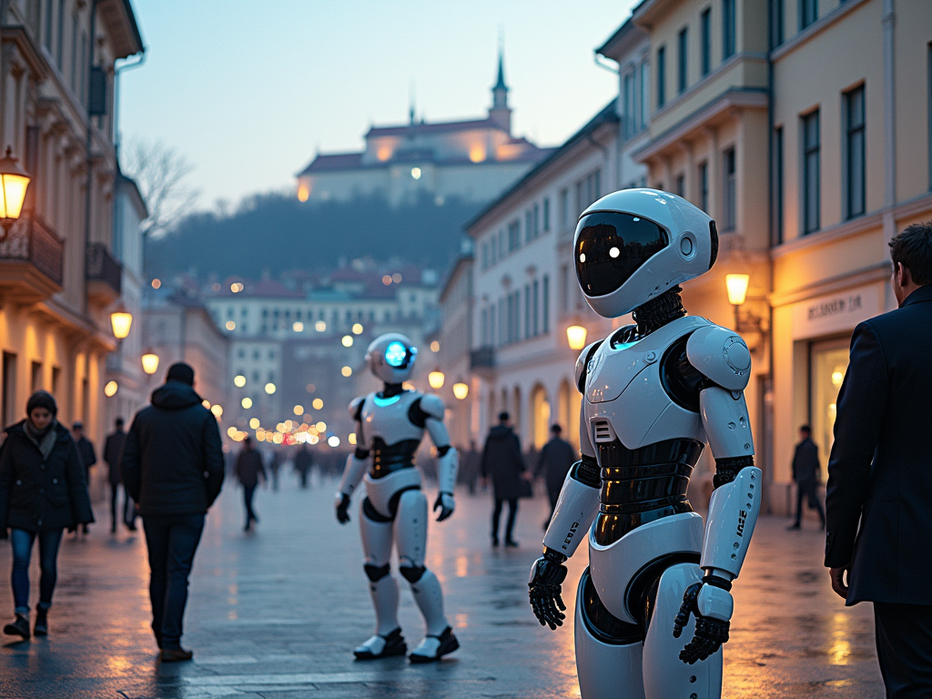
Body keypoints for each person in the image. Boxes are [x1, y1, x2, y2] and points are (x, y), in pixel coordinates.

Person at [527, 189, 762, 698]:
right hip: (603, 568)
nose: (601, 261)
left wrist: (718, 581)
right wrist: (553, 555)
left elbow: (737, 471)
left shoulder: (701, 350)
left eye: (616, 249)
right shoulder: (596, 358)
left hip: (671, 567)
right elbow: (590, 469)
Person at [825, 222, 932, 696]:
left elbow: (850, 452)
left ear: (901, 273)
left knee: (913, 683)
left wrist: (840, 548)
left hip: (904, 550)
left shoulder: (881, 336)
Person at [335, 333, 460, 662]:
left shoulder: (422, 404)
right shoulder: (363, 407)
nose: (396, 359)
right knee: (375, 567)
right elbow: (361, 453)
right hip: (373, 491)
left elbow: (446, 450)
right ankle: (387, 632)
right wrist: (344, 492)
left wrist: (447, 492)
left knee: (411, 566)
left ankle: (439, 631)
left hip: (406, 489)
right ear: (376, 361)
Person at [121, 362, 224, 662]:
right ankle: (171, 639)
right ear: (192, 384)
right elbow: (215, 464)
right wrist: (207, 498)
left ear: (165, 382)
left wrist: (138, 496)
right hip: (190, 506)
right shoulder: (203, 418)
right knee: (179, 572)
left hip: (152, 505)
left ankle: (159, 631)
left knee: (158, 570)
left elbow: (128, 462)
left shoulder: (144, 417)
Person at [0, 391, 94, 639]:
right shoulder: (15, 440)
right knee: (20, 559)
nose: (40, 419)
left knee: (48, 565)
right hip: (21, 510)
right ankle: (21, 615)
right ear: (29, 414)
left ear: (53, 416)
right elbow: (4, 480)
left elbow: (75, 479)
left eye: (45, 415)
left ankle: (42, 612)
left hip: (54, 511)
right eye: (36, 415)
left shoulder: (64, 440)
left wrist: (81, 515)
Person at [480, 412, 527, 548]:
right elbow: (517, 456)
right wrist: (523, 470)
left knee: (497, 507)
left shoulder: (491, 437)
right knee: (513, 507)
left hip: (497, 476)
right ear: (508, 420)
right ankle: (508, 537)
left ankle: (494, 537)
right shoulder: (513, 437)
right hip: (512, 476)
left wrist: (484, 474)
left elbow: (485, 456)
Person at [534, 424, 576, 529]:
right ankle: (554, 522)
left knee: (552, 502)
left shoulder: (548, 445)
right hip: (563, 478)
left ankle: (550, 522)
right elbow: (573, 462)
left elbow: (541, 462)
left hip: (550, 478)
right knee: (560, 501)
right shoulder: (567, 446)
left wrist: (535, 475)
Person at [787, 425, 824, 530]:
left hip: (806, 478)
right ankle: (800, 521)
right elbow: (816, 463)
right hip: (807, 477)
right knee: (807, 500)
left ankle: (821, 520)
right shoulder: (811, 446)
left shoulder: (804, 447)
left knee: (811, 500)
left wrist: (795, 475)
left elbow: (797, 462)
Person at [104, 418, 135, 533]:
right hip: (125, 472)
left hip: (113, 472)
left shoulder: (110, 438)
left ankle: (114, 522)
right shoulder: (127, 437)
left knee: (113, 498)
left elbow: (105, 456)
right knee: (127, 497)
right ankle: (125, 519)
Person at [234, 437, 266, 532]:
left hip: (252, 481)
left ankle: (249, 521)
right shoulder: (242, 454)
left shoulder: (255, 454)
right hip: (245, 481)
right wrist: (237, 478)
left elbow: (261, 466)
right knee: (246, 501)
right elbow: (238, 467)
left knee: (248, 500)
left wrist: (264, 478)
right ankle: (252, 518)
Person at [71, 421, 96, 535]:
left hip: (84, 475)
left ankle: (84, 523)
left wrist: (84, 464)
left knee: (84, 499)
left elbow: (93, 459)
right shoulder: (71, 443)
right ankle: (75, 524)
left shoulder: (87, 444)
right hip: (72, 476)